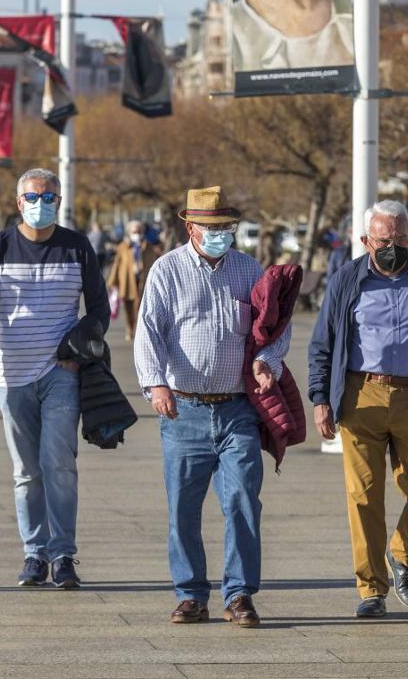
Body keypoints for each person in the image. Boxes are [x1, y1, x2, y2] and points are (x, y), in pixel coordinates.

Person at [133, 186, 289, 628]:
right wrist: (156, 383)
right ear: (191, 228)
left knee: (242, 498)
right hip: (184, 410)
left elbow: (274, 329)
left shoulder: (248, 270)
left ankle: (239, 593)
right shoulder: (167, 271)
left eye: (227, 227)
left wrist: (267, 361)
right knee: (183, 506)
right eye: (212, 227)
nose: (221, 234)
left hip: (238, 408)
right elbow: (149, 332)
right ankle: (190, 594)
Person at [309, 200, 408, 618]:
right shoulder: (347, 279)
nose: (394, 246)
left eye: (401, 238)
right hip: (361, 397)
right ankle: (371, 589)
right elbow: (322, 344)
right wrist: (320, 398)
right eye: (385, 239)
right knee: (363, 496)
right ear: (366, 241)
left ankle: (402, 555)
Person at [0, 169, 109, 590]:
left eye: (49, 197)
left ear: (59, 201)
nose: (41, 203)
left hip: (60, 373)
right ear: (18, 202)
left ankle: (62, 554)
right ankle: (34, 554)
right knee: (26, 470)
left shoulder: (77, 247)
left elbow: (100, 308)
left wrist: (77, 350)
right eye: (33, 196)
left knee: (59, 463)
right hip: (11, 376)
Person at [107, 220, 160, 342]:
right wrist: (112, 282)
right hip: (127, 281)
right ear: (129, 232)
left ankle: (139, 330)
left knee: (141, 308)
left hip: (143, 281)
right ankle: (129, 328)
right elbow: (117, 264)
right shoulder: (123, 247)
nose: (137, 233)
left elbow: (155, 263)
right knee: (128, 308)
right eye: (134, 231)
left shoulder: (148, 246)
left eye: (139, 231)